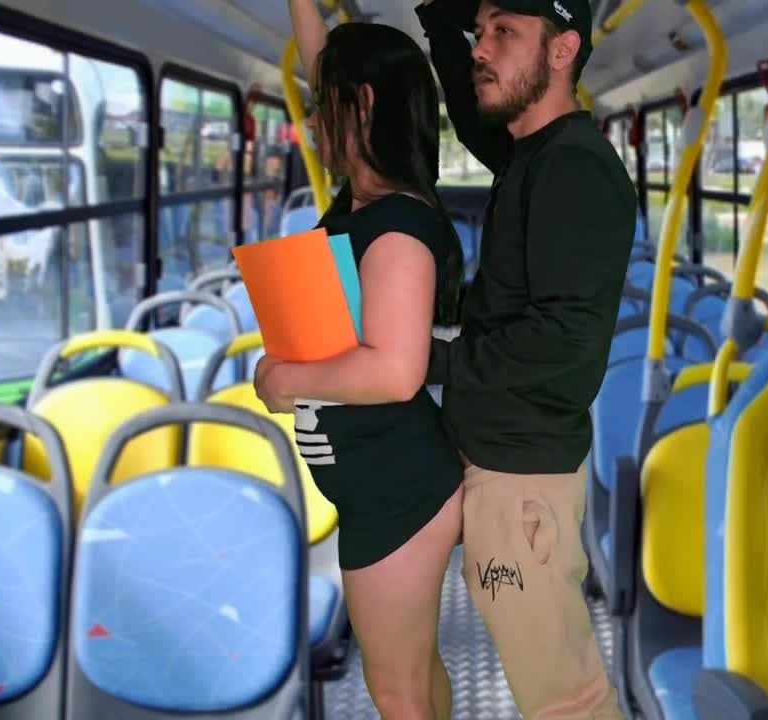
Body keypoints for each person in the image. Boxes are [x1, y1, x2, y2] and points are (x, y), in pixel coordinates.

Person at [414, 0, 637, 716]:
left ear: (563, 50)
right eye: (480, 34)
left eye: (504, 32)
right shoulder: (532, 153)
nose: (483, 49)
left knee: (567, 701)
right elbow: (472, 106)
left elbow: (565, 339)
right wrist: (442, 22)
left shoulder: (573, 169)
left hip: (522, 484)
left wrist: (432, 360)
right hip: (505, 465)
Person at [252, 1, 466, 716]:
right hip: (380, 483)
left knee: (397, 690)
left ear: (364, 104)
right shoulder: (364, 205)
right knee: (413, 674)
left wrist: (284, 380)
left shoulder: (397, 228)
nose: (314, 122)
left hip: (396, 492)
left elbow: (395, 370)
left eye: (326, 106)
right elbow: (323, 60)